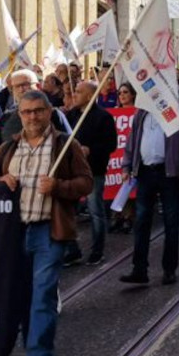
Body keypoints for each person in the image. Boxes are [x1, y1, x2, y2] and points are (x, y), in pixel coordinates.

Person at [0, 91, 92, 356]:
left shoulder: (64, 145)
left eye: (38, 111)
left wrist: (58, 186)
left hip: (49, 230)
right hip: (14, 232)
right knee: (21, 296)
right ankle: (30, 351)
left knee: (43, 293)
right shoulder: (10, 147)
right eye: (26, 112)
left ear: (49, 112)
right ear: (19, 115)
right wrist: (0, 181)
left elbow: (86, 183)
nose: (32, 117)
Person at [119, 99, 179, 285]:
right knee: (141, 222)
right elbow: (133, 140)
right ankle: (139, 269)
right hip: (146, 172)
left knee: (171, 222)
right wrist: (127, 165)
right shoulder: (142, 110)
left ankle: (169, 269)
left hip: (169, 172)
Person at [64, 81, 117, 265]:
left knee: (95, 211)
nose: (74, 94)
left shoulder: (104, 117)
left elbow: (111, 145)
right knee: (67, 211)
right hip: (71, 171)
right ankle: (72, 250)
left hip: (93, 171)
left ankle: (97, 250)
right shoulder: (70, 115)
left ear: (89, 96)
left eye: (79, 92)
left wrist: (90, 150)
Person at [0, 70, 72, 175]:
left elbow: (70, 148)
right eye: (16, 87)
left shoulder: (54, 114)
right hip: (12, 183)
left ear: (38, 86)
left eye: (25, 84)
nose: (21, 89)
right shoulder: (5, 118)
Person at [110, 83, 138, 234]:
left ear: (133, 94)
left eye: (126, 92)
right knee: (115, 185)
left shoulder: (138, 112)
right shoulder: (113, 113)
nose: (122, 95)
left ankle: (128, 218)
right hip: (116, 154)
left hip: (131, 154)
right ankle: (116, 217)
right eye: (119, 93)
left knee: (128, 185)